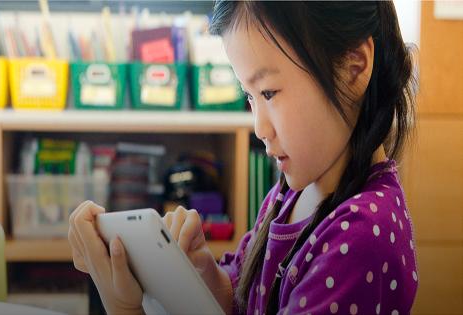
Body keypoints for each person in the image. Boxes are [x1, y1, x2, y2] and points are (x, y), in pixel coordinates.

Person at [68, 1, 418, 314]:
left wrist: (123, 308)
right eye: (250, 97)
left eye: (269, 92)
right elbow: (244, 300)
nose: (259, 127)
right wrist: (202, 274)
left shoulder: (361, 237)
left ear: (354, 67)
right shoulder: (291, 192)